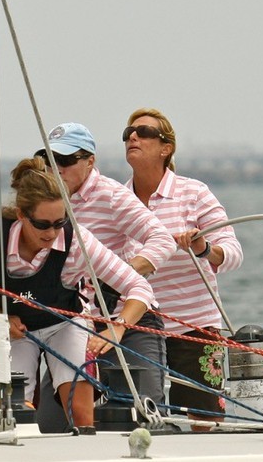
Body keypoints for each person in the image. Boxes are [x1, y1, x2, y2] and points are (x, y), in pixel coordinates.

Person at [0, 157, 155, 430]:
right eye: (42, 224)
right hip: (17, 330)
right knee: (12, 411)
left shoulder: (78, 241)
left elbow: (139, 288)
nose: (52, 232)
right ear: (21, 215)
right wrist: (1, 316)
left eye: (59, 222)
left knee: (80, 412)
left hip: (66, 324)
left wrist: (117, 328)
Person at [33, 122, 175, 426]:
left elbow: (162, 240)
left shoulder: (109, 195)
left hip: (130, 321)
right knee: (49, 423)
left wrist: (119, 276)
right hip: (76, 327)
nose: (57, 169)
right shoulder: (47, 202)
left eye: (66, 161)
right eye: (50, 161)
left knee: (142, 420)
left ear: (89, 162)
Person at [124, 107, 243, 424]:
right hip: (139, 330)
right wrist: (164, 244)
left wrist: (204, 248)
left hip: (195, 328)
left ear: (166, 148)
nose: (133, 137)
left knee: (205, 423)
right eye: (129, 133)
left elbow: (232, 252)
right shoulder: (118, 199)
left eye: (144, 132)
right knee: (142, 421)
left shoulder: (194, 193)